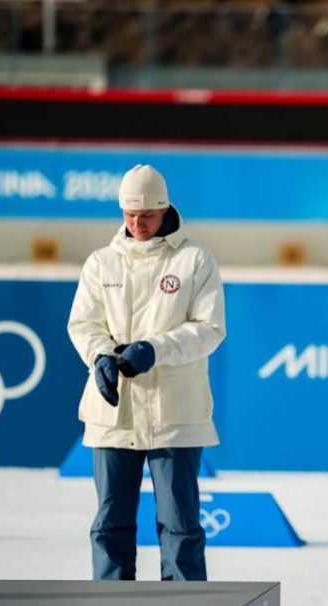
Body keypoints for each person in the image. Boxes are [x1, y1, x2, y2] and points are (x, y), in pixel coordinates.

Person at [67, 164, 226, 581]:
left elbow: (209, 330)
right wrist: (100, 355)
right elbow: (83, 323)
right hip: (113, 409)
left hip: (174, 413)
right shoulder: (101, 263)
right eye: (129, 215)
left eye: (147, 216)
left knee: (180, 523)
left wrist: (154, 350)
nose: (137, 224)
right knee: (110, 522)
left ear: (165, 209)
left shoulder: (195, 260)